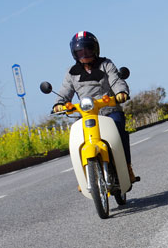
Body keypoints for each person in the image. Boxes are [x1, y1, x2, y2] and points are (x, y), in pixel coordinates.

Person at [52, 31, 139, 183]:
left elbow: (116, 80)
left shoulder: (106, 64)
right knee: (77, 139)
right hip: (86, 114)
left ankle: (127, 166)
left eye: (88, 49)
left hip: (109, 110)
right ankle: (85, 177)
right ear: (74, 53)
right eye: (80, 51)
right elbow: (65, 90)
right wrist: (59, 103)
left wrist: (121, 92)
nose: (84, 53)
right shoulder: (71, 72)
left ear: (96, 49)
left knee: (119, 130)